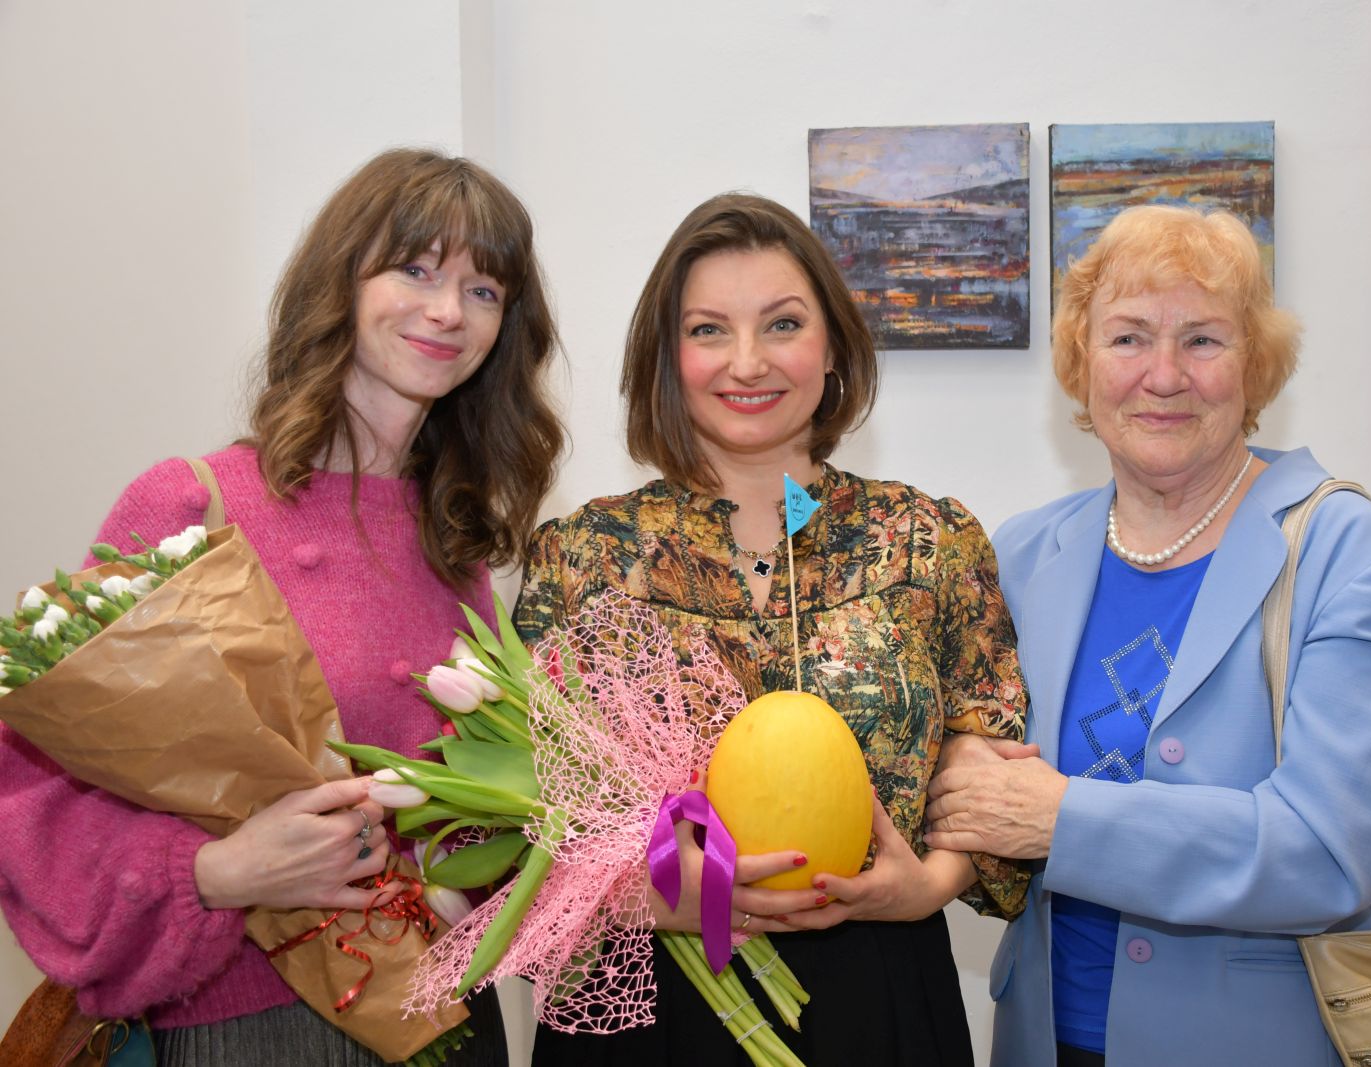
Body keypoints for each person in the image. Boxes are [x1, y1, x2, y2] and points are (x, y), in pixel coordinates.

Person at [0, 148, 564, 1064]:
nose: (448, 311)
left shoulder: (453, 541)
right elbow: (33, 790)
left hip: (438, 1012)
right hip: (249, 1025)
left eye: (483, 289)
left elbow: (470, 805)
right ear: (342, 282)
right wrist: (214, 873)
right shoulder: (193, 503)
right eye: (415, 270)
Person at [923, 205, 1371, 1067]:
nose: (1164, 375)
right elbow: (973, 772)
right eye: (1128, 338)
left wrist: (1060, 820)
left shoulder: (1356, 558)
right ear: (1082, 362)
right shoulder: (1020, 553)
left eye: (1202, 340)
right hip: (1045, 1041)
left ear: (1255, 365)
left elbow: (1327, 851)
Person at [514, 192, 1028, 1066]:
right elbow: (524, 811)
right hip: (647, 997)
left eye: (782, 323)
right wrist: (644, 894)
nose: (746, 361)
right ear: (666, 357)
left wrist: (926, 885)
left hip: (879, 986)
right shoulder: (583, 554)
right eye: (708, 330)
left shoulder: (927, 538)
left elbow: (990, 756)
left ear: (832, 347)